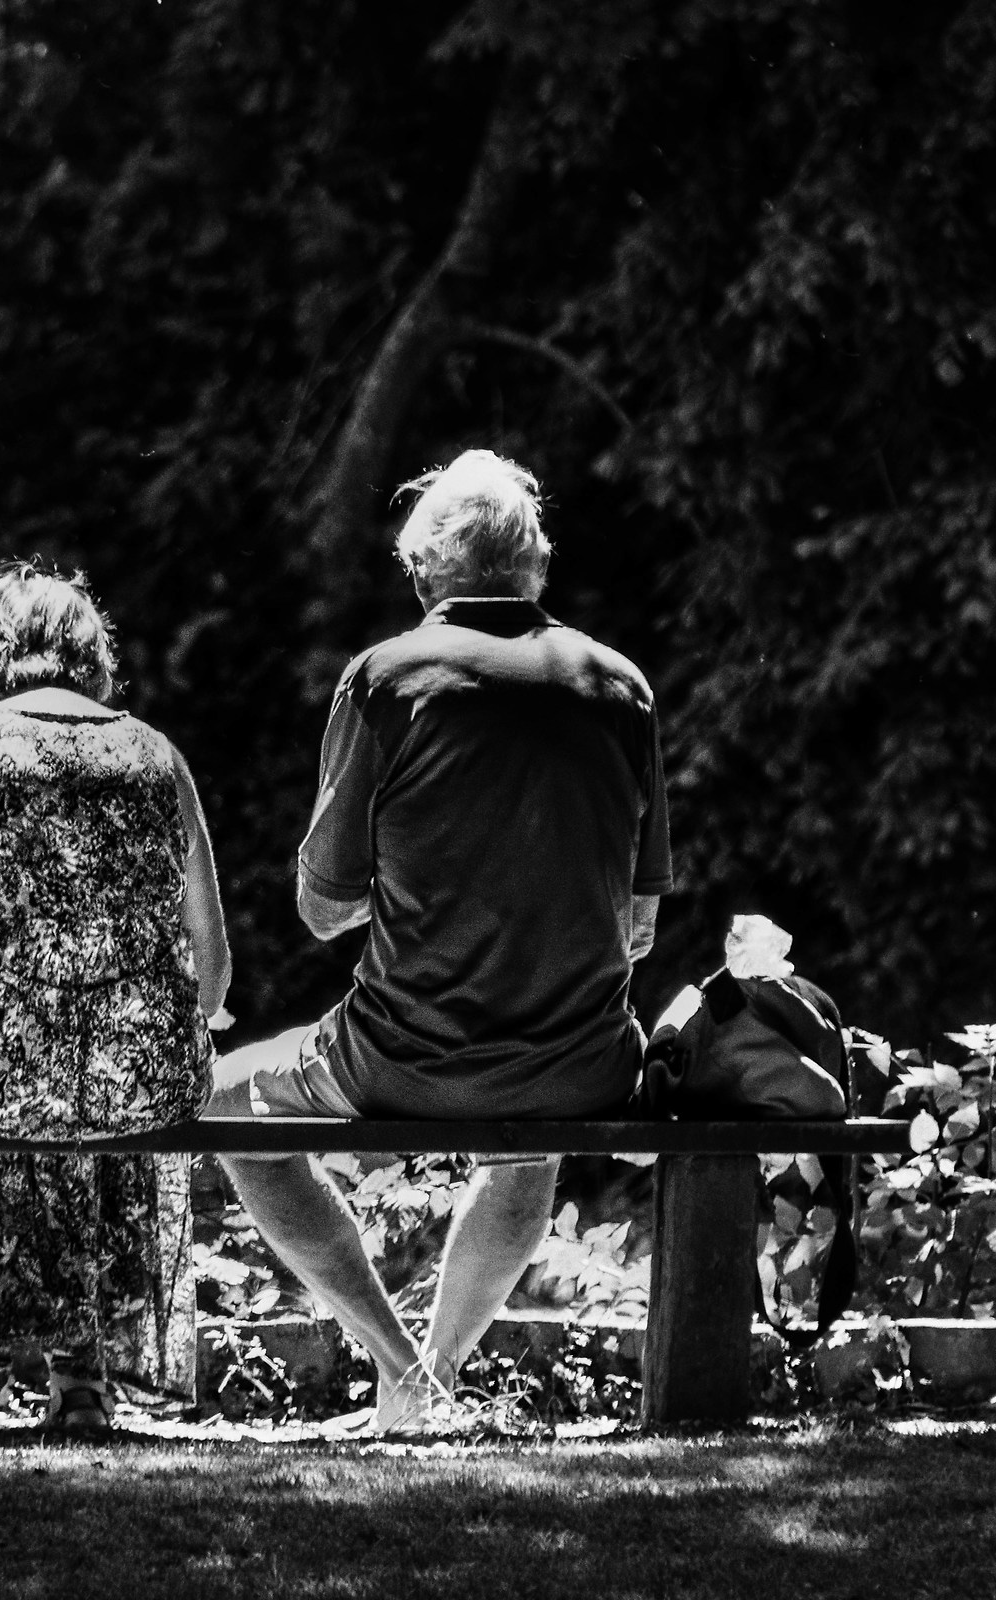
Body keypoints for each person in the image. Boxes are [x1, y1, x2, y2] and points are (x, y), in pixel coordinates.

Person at [209, 448, 671, 1433]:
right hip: (580, 1062)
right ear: (537, 567)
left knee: (223, 1098)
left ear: (422, 573)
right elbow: (637, 927)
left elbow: (324, 910)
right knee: (529, 1140)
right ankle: (439, 1378)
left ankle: (405, 1371)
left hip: (403, 1057)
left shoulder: (387, 678)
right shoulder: (620, 687)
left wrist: (425, 888)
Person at [0, 563, 231, 1432]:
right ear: (89, 657)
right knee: (98, 1077)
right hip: (136, 1085)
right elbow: (212, 979)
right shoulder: (156, 757)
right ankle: (83, 1369)